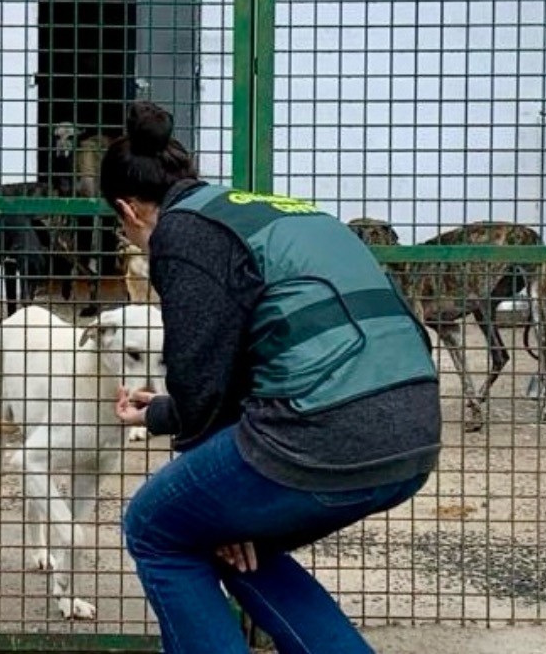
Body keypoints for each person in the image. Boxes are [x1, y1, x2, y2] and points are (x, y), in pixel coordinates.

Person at [102, 101, 441, 654]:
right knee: (235, 542)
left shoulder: (183, 234)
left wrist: (200, 464)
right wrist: (161, 412)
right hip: (414, 428)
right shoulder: (270, 211)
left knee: (154, 526)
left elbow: (200, 377)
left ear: (129, 211)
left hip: (322, 431)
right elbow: (253, 365)